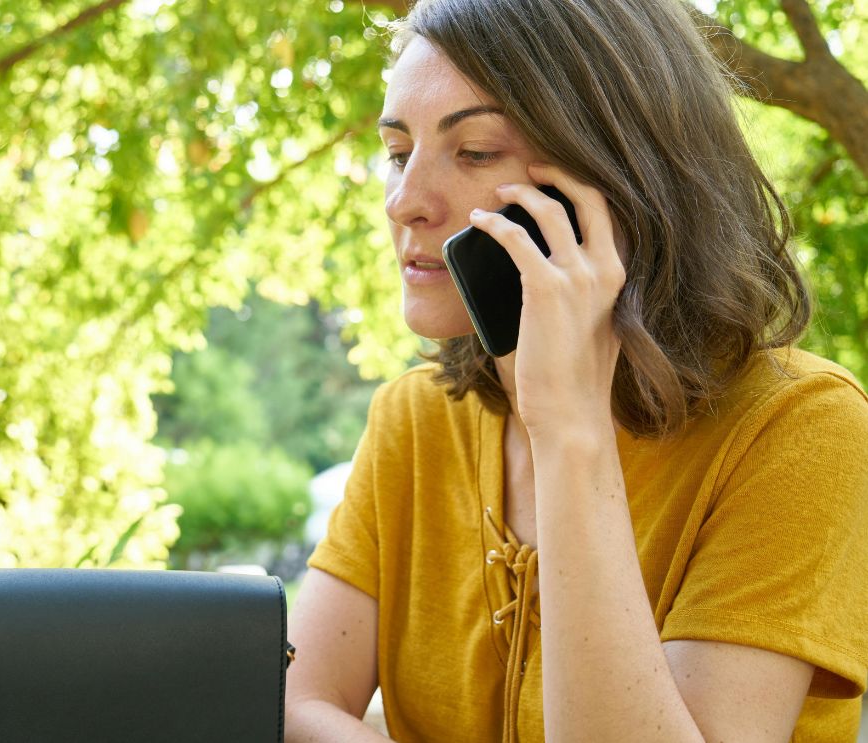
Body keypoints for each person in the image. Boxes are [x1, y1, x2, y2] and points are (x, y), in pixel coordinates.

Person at [283, 0, 868, 740]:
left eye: (473, 152)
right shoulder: (414, 416)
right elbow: (293, 701)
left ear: (614, 178)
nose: (404, 202)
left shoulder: (803, 427)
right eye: (399, 152)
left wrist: (568, 427)